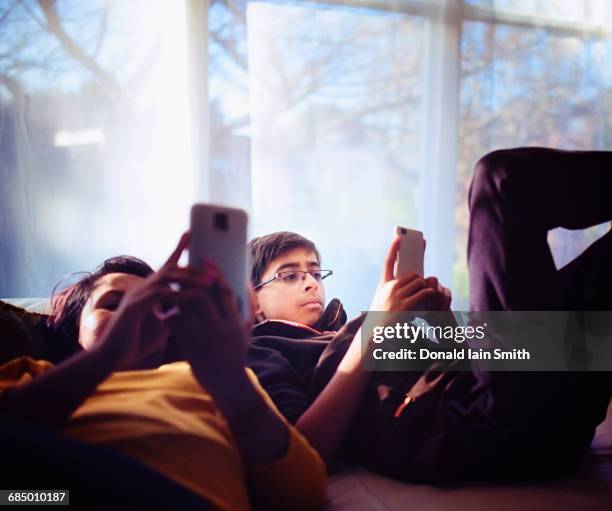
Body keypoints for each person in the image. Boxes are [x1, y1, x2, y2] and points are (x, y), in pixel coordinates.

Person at [246, 148, 612, 482]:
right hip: (483, 427)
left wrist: (440, 324)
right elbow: (302, 450)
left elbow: (464, 361)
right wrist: (373, 330)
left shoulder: (341, 333)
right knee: (501, 181)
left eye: (314, 271)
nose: (310, 283)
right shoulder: (259, 350)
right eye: (289, 275)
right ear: (253, 299)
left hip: (551, 401)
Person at [0, 233, 326, 511]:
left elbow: (304, 496)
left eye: (152, 306)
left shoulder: (214, 381)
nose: (134, 314)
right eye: (113, 304)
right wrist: (106, 356)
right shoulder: (31, 375)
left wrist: (230, 381)